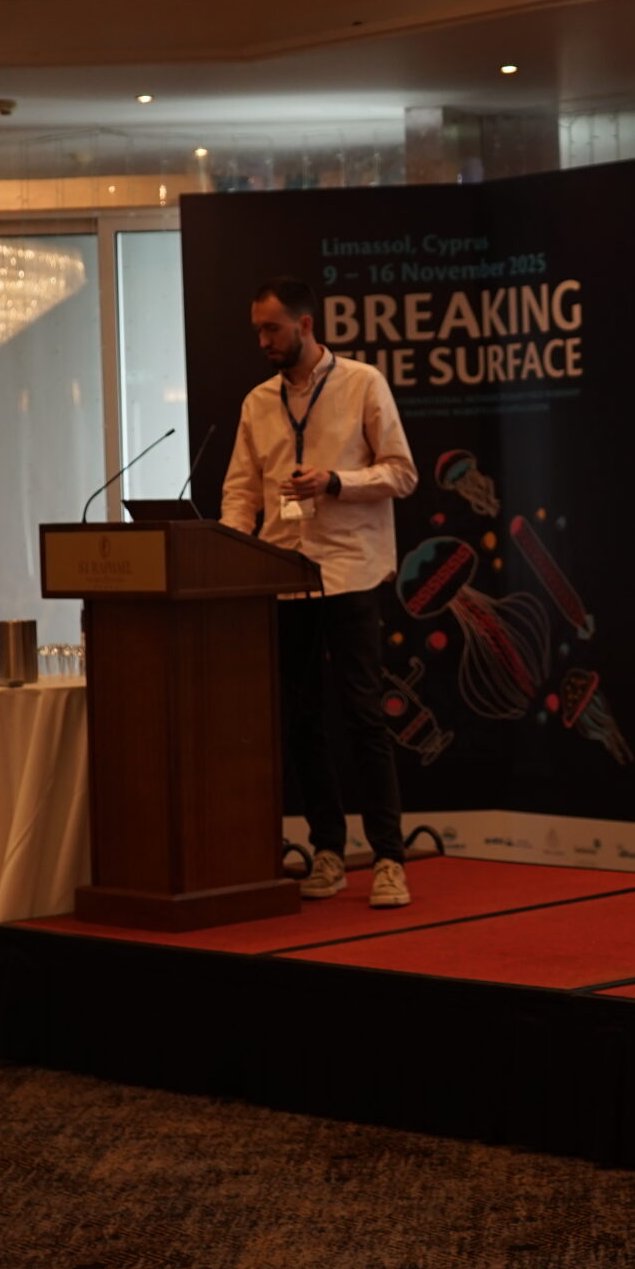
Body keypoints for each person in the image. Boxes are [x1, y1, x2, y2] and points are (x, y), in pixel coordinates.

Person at [220, 276, 418, 908]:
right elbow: (241, 491)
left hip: (350, 572)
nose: (262, 340)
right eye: (258, 329)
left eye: (272, 328)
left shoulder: (362, 383)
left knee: (363, 715)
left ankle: (388, 858)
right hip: (284, 577)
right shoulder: (258, 402)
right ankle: (328, 849)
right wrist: (227, 552)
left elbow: (402, 474)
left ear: (305, 325)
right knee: (301, 721)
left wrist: (335, 481)